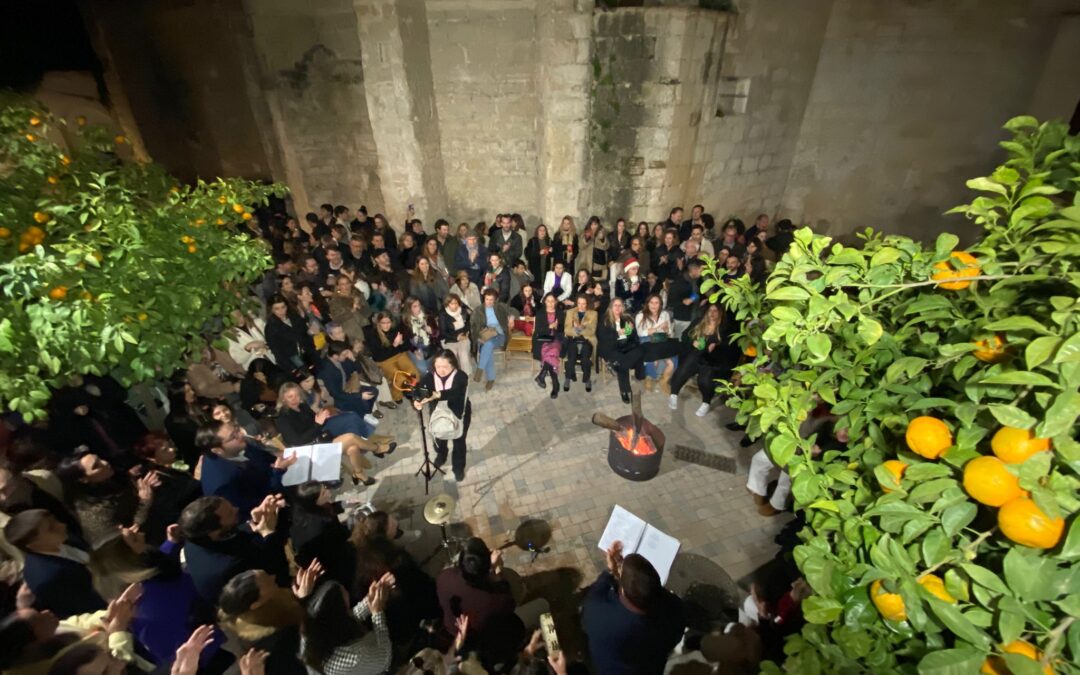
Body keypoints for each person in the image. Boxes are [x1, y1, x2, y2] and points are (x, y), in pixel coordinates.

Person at [582, 543, 685, 675]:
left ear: (622, 588)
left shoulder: (598, 613)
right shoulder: (674, 612)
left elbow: (594, 594)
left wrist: (610, 571)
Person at [275, 382, 395, 487]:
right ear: (283, 399)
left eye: (296, 394)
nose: (295, 398)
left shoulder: (302, 405)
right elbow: (297, 442)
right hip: (311, 450)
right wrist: (317, 424)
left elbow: (314, 421)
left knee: (352, 447)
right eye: (290, 396)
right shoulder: (281, 418)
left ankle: (359, 474)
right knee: (351, 437)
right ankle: (378, 448)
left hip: (321, 436)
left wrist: (322, 418)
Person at [350, 511, 440, 646]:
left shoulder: (361, 554)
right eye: (392, 525)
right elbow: (420, 584)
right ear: (383, 536)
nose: (396, 523)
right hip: (403, 614)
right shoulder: (397, 560)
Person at [179, 495, 289, 602]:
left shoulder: (196, 539)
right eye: (230, 513)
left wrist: (256, 520)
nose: (236, 509)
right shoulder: (230, 566)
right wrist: (269, 534)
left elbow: (234, 536)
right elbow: (276, 570)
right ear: (214, 532)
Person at [293, 560, 393, 675]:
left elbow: (348, 618)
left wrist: (370, 600)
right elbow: (385, 659)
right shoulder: (350, 658)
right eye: (346, 606)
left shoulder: (313, 628)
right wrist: (378, 613)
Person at [2, 509, 106, 618]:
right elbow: (84, 607)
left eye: (55, 520)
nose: (62, 525)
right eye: (51, 528)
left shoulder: (64, 538)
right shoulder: (48, 578)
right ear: (33, 544)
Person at [436, 538, 520, 668]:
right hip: (482, 640)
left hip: (452, 630)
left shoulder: (444, 577)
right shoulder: (495, 600)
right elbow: (510, 605)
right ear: (487, 569)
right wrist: (497, 571)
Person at [55, 450, 157, 550]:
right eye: (96, 466)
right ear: (83, 479)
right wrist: (145, 502)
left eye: (99, 459)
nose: (105, 463)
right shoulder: (93, 511)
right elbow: (119, 542)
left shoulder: (111, 477)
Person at [217, 568, 306, 675]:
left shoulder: (243, 615)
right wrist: (304, 599)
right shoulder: (274, 638)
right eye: (268, 582)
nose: (273, 577)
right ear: (256, 604)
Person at [196, 421, 293, 516]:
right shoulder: (223, 483)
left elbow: (267, 459)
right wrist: (278, 472)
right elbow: (259, 505)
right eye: (233, 437)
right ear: (217, 450)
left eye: (237, 430)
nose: (240, 435)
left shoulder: (237, 446)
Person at [131, 432, 202, 547]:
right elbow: (177, 499)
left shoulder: (171, 465)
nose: (172, 449)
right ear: (152, 458)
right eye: (165, 450)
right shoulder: (156, 480)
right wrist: (197, 479)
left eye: (170, 445)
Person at [411, 350, 472, 482]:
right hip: (438, 414)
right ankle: (442, 456)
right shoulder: (430, 376)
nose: (441, 370)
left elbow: (454, 392)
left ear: (453, 365)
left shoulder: (461, 376)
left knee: (459, 442)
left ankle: (458, 468)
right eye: (438, 366)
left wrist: (436, 395)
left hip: (459, 413)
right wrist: (417, 400)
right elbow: (420, 389)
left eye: (445, 367)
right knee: (439, 438)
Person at [668, 304, 738, 417]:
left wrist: (716, 346)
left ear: (720, 313)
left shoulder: (725, 327)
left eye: (715, 310)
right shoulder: (698, 321)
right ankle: (673, 394)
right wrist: (693, 342)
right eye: (710, 310)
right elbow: (685, 335)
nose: (712, 313)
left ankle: (706, 402)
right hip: (697, 353)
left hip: (712, 358)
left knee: (704, 381)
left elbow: (730, 347)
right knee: (682, 371)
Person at [286, 482, 355, 590]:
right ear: (314, 501)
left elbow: (326, 509)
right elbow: (341, 536)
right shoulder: (322, 524)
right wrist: (352, 524)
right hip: (329, 564)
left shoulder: (300, 512)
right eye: (323, 493)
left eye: (325, 488)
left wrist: (343, 504)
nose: (328, 492)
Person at [364, 312, 421, 405]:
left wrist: (402, 343)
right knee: (400, 378)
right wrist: (394, 345)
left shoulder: (395, 329)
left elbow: (406, 347)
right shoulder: (372, 335)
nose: (386, 325)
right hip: (384, 360)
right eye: (383, 323)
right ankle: (397, 396)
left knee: (413, 373)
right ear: (378, 323)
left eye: (388, 322)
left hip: (398, 355)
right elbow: (379, 355)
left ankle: (411, 390)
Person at [316, 341, 380, 424]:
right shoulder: (327, 371)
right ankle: (362, 417)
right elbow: (336, 394)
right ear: (335, 356)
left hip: (349, 388)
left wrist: (353, 358)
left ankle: (365, 414)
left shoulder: (343, 359)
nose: (347, 355)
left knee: (374, 391)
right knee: (361, 400)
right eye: (344, 354)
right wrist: (359, 396)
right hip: (339, 399)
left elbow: (359, 370)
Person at [597, 298, 646, 403]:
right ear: (611, 307)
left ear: (623, 307)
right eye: (615, 305)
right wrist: (618, 333)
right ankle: (625, 391)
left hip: (626, 346)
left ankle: (616, 365)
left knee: (640, 350)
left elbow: (633, 337)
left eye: (620, 305)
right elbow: (602, 337)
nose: (618, 308)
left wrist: (631, 331)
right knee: (623, 361)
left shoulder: (627, 318)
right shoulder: (604, 320)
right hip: (611, 347)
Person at [636, 294, 678, 394]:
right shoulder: (641, 315)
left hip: (661, 338)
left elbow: (670, 333)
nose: (654, 305)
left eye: (657, 303)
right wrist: (656, 328)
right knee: (652, 356)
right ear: (647, 304)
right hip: (646, 339)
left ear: (660, 304)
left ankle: (664, 380)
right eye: (651, 302)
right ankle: (649, 378)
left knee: (673, 360)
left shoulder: (665, 314)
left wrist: (667, 330)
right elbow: (640, 333)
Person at [469, 288, 510, 390]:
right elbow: (473, 327)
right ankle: (491, 379)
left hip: (500, 335)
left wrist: (512, 318)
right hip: (484, 336)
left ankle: (480, 369)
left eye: (491, 299)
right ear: (484, 298)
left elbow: (514, 311)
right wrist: (478, 338)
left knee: (487, 346)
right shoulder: (478, 311)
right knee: (488, 349)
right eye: (487, 299)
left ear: (495, 300)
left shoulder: (500, 307)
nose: (489, 302)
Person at [265, 294, 317, 370]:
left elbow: (305, 334)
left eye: (283, 307)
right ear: (271, 310)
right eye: (277, 309)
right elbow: (278, 353)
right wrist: (292, 368)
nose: (281, 311)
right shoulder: (270, 328)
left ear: (287, 306)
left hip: (309, 353)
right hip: (293, 361)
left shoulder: (294, 317)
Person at [532, 293, 565, 399]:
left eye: (552, 301)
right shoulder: (540, 313)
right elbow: (538, 330)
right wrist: (549, 326)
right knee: (551, 354)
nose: (550, 303)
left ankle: (543, 374)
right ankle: (556, 384)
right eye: (548, 301)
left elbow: (562, 330)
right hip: (543, 339)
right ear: (545, 301)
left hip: (556, 338)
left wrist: (556, 328)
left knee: (554, 350)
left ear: (555, 302)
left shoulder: (560, 313)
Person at [563, 294, 597, 393]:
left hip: (587, 339)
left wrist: (579, 328)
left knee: (585, 359)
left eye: (583, 304)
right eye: (579, 303)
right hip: (573, 339)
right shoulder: (570, 312)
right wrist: (577, 330)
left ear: (587, 304)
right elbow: (567, 329)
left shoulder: (593, 314)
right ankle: (568, 378)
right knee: (571, 358)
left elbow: (592, 330)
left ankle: (587, 379)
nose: (581, 306)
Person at [327, 274, 372, 345]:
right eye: (342, 284)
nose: (346, 286)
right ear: (338, 286)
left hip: (365, 326)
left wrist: (359, 307)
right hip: (352, 331)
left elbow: (368, 311)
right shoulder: (335, 301)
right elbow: (337, 318)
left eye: (347, 283)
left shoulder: (358, 294)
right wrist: (352, 310)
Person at [402, 296, 441, 376]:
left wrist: (431, 331)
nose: (418, 308)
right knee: (423, 369)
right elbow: (406, 341)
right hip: (415, 347)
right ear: (409, 309)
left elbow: (438, 335)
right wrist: (415, 350)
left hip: (429, 345)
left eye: (419, 305)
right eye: (415, 306)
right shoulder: (405, 322)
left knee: (436, 367)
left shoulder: (428, 317)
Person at [438, 295, 474, 377]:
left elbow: (468, 323)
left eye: (456, 303)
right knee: (452, 355)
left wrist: (465, 333)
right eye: (452, 304)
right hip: (449, 339)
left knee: (463, 353)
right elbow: (443, 332)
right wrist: (457, 337)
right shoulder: (443, 314)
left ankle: (465, 376)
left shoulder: (463, 311)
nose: (455, 306)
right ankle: (454, 377)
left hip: (463, 337)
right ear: (447, 304)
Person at [668, 259, 705, 339]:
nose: (703, 272)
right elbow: (670, 302)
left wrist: (703, 299)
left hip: (695, 316)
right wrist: (683, 301)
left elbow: (699, 293)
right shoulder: (679, 282)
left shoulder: (698, 280)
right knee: (680, 340)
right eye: (702, 270)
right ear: (693, 270)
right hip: (682, 318)